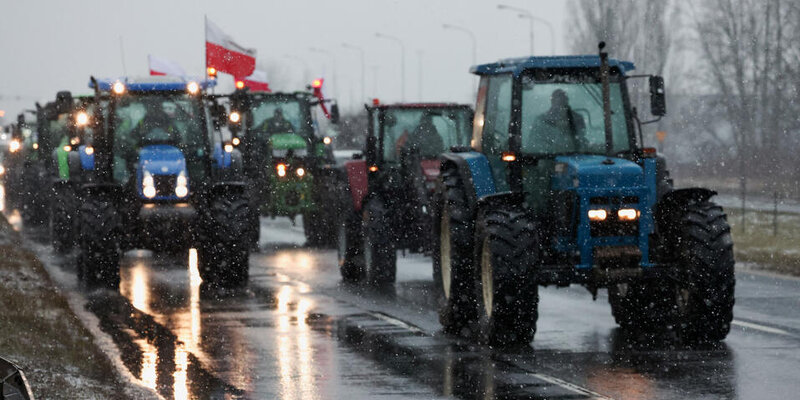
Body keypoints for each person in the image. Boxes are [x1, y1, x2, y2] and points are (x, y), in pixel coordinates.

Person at [529, 89, 587, 153]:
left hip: (574, 156)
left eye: (563, 100)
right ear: (552, 101)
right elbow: (534, 143)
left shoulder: (577, 118)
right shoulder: (541, 120)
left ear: (567, 101)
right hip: (547, 157)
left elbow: (581, 139)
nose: (561, 105)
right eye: (559, 101)